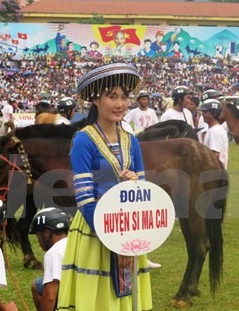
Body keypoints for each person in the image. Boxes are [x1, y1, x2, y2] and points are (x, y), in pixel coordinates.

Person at [58, 62, 152, 310]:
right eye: (112, 97)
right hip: (95, 229)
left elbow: (144, 187)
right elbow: (85, 197)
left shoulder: (131, 140)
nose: (120, 104)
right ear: (95, 99)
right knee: (98, 299)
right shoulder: (83, 140)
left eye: (124, 97)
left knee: (126, 297)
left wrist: (135, 183)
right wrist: (109, 233)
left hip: (128, 227)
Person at [30, 207, 71, 311]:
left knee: (37, 285)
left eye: (38, 235)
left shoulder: (53, 253)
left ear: (47, 232)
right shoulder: (73, 243)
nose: (38, 241)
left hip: (69, 295)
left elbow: (49, 297)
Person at [198, 99, 229, 169]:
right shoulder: (214, 129)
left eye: (205, 112)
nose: (202, 115)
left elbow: (215, 155)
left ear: (214, 113)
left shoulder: (215, 131)